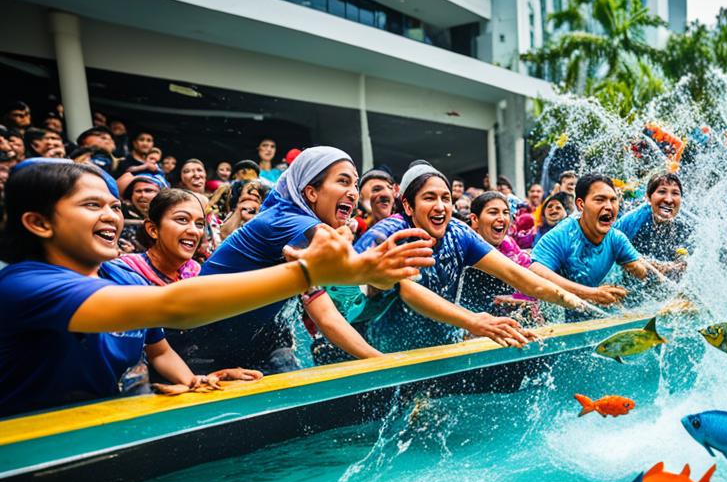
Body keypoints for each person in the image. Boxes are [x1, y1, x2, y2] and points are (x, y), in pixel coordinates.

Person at [0, 159, 432, 418]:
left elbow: (157, 349)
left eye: (114, 206)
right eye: (92, 206)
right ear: (38, 222)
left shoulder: (121, 279)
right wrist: (308, 273)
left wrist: (195, 381)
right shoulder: (27, 286)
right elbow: (175, 307)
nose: (112, 217)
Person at [188, 146, 415, 373]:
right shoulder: (284, 219)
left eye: (355, 184)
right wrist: (369, 268)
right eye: (343, 181)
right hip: (195, 345)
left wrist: (383, 363)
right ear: (311, 192)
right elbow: (334, 248)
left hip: (245, 342)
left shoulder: (302, 235)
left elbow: (326, 316)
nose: (354, 193)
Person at [353, 167, 584, 352]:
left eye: (446, 198)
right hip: (386, 354)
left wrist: (577, 302)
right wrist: (473, 321)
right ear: (407, 205)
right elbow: (409, 291)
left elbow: (516, 274)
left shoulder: (458, 232)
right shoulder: (393, 233)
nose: (441, 206)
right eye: (429, 197)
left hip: (443, 349)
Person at [529, 173, 654, 309]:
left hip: (604, 319)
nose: (609, 206)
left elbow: (645, 271)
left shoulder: (616, 238)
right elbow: (535, 272)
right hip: (563, 323)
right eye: (600, 200)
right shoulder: (564, 234)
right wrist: (592, 294)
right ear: (581, 205)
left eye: (613, 200)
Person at [612, 171, 693, 269]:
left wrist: (682, 260)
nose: (669, 200)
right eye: (662, 192)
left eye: (675, 193)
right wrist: (660, 266)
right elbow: (610, 246)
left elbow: (684, 252)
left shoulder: (684, 226)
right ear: (648, 198)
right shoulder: (635, 220)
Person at [118, 172, 166, 252]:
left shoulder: (168, 216)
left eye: (148, 191)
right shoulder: (121, 213)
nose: (142, 195)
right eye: (138, 191)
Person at [358, 167, 397, 232]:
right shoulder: (349, 232)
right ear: (361, 198)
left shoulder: (405, 231)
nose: (385, 194)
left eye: (389, 188)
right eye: (376, 189)